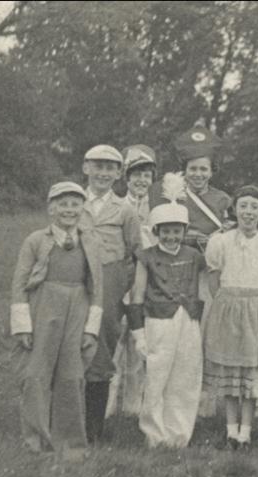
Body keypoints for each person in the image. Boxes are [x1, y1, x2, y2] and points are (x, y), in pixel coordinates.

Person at [10, 182, 102, 459]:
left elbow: (97, 286)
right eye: (63, 204)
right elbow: (19, 283)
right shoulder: (36, 240)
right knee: (36, 374)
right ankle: (37, 441)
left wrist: (91, 328)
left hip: (78, 306)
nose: (69, 210)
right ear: (52, 208)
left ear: (82, 209)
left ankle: (71, 444)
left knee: (72, 375)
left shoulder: (91, 241)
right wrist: (23, 325)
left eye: (75, 204)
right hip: (43, 306)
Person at [149, 126, 232, 419]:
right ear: (184, 170)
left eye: (204, 169)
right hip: (174, 270)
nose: (198, 174)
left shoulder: (223, 199)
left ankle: (204, 405)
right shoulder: (170, 194)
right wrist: (194, 236)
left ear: (212, 171)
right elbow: (160, 231)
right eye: (193, 169)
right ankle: (170, 402)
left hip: (207, 271)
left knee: (205, 334)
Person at [202, 186, 258, 450]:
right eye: (243, 206)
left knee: (251, 374)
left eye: (254, 207)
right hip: (228, 309)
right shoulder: (220, 241)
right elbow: (214, 278)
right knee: (231, 372)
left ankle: (246, 432)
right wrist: (226, 303)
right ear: (234, 210)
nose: (248, 212)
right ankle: (230, 430)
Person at [127, 202, 207, 448]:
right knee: (157, 375)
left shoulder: (194, 256)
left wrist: (198, 319)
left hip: (188, 319)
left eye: (177, 231)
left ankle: (179, 434)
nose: (171, 237)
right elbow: (137, 294)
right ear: (156, 231)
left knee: (186, 376)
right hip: (158, 320)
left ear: (184, 232)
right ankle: (155, 435)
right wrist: (139, 333)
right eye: (166, 231)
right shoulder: (146, 257)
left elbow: (202, 290)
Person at [79, 145, 142, 443]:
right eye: (98, 166)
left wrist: (118, 286)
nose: (103, 173)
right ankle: (65, 419)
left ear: (119, 174)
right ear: (86, 168)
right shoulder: (72, 202)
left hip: (109, 283)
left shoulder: (125, 210)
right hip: (74, 282)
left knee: (102, 347)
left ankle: (93, 429)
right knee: (69, 342)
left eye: (110, 167)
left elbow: (134, 253)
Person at [106, 144, 157, 418]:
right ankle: (106, 406)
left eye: (147, 175)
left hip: (145, 285)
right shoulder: (118, 207)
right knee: (114, 343)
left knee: (140, 346)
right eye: (136, 175)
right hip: (119, 280)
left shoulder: (158, 209)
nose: (141, 180)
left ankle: (132, 408)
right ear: (126, 178)